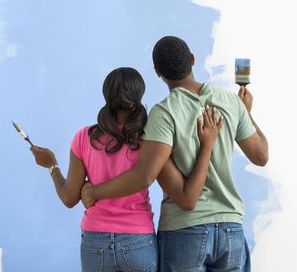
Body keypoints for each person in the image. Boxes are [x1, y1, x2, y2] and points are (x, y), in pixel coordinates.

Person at [81, 37, 269, 272]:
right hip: (231, 227)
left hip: (184, 230)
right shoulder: (231, 102)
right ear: (192, 59)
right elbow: (261, 156)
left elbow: (144, 176)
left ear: (157, 72)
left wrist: (93, 192)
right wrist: (246, 112)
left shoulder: (163, 113)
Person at [30, 66, 223, 272]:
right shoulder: (150, 140)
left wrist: (52, 165)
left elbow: (69, 198)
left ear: (106, 95)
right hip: (138, 240)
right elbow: (179, 191)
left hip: (95, 241)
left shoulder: (84, 137)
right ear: (138, 95)